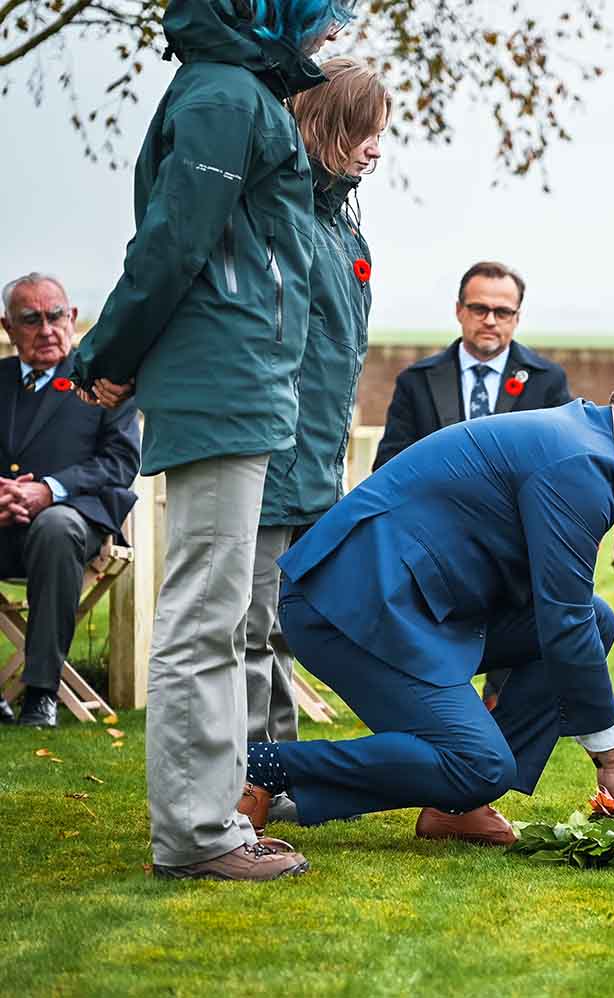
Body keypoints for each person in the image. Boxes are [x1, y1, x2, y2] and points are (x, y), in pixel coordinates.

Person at [70, 0, 355, 881]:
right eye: (318, 14)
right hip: (222, 388)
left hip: (242, 385)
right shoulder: (227, 98)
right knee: (204, 619)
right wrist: (107, 354)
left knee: (225, 619)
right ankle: (195, 835)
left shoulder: (243, 93)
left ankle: (219, 817)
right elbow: (170, 244)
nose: (330, 31)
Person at [233, 364, 614, 850]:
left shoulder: (583, 444)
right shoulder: (584, 462)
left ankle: (460, 805)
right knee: (480, 762)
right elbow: (563, 619)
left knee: (599, 620)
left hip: (417, 606)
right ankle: (262, 767)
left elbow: (569, 615)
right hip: (348, 607)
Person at [243, 56, 388, 826]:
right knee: (253, 630)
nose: (373, 150)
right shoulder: (284, 212)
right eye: (363, 133)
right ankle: (244, 784)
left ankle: (279, 775)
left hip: (317, 466)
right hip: (271, 459)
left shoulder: (341, 222)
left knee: (285, 630)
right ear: (323, 122)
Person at [0, 275, 140, 726]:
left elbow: (121, 462)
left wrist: (49, 490)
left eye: (55, 315)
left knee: (55, 525)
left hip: (75, 526)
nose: (46, 329)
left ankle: (41, 692)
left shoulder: (102, 381)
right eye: (30, 319)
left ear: (73, 317)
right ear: (7, 327)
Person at [371, 261, 571, 471]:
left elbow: (563, 463)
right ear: (459, 311)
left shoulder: (548, 381)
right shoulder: (415, 382)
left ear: (517, 318)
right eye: (479, 309)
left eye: (502, 312)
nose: (490, 321)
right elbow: (389, 467)